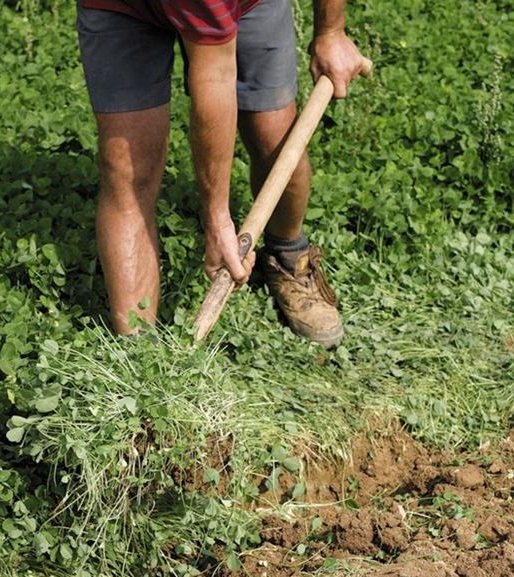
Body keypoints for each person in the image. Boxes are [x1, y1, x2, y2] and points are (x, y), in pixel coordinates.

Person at [77, 0, 370, 347]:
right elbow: (214, 74)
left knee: (274, 140)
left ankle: (288, 256)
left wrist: (331, 32)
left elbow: (215, 74)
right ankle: (139, 357)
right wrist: (217, 220)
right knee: (127, 169)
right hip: (122, 7)